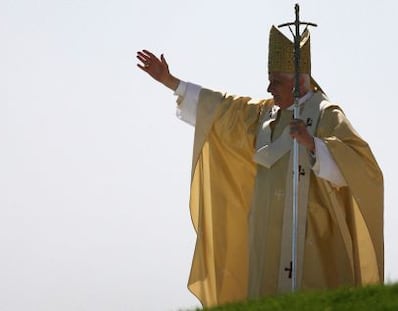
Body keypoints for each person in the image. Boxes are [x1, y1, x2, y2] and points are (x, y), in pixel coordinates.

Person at [136, 25, 384, 308]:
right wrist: (171, 81)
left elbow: (362, 168)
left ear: (298, 82)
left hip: (312, 237)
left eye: (275, 81)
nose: (268, 88)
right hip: (267, 237)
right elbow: (221, 108)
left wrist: (313, 143)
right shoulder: (263, 114)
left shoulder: (326, 114)